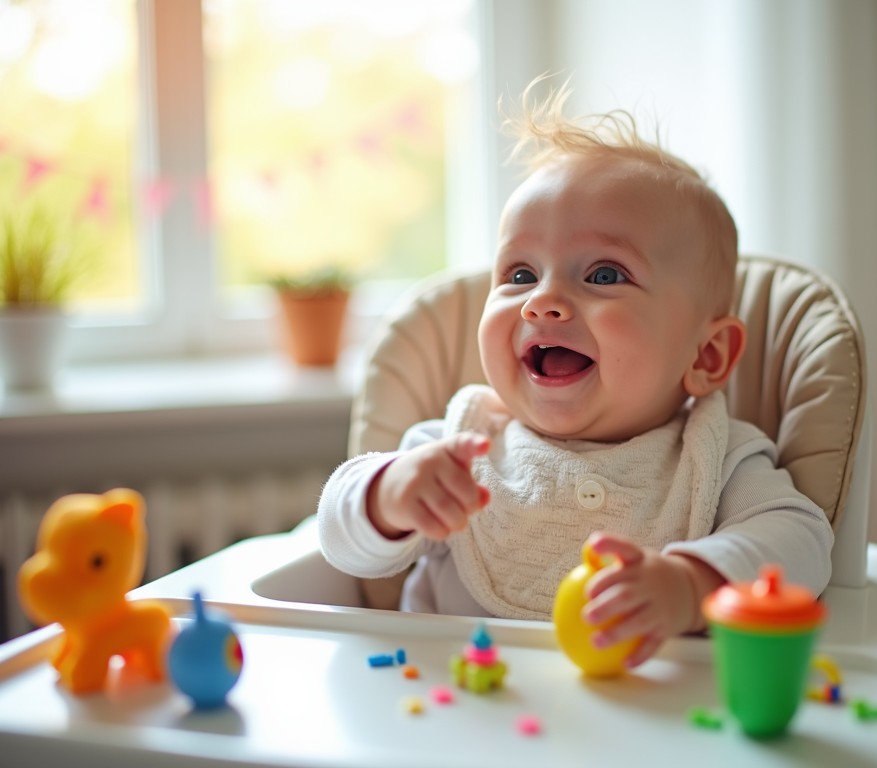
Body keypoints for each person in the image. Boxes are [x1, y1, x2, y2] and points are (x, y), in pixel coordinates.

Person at [318, 81, 833, 668]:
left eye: (605, 275)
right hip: (453, 716)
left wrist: (689, 585)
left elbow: (802, 542)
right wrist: (387, 496)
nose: (542, 302)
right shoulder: (458, 450)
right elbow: (340, 544)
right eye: (518, 273)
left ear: (706, 357)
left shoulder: (716, 458)